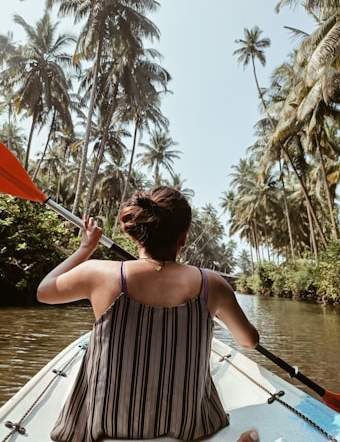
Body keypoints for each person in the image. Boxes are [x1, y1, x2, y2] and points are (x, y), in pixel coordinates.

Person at [37, 186, 260, 442]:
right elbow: (248, 341)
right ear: (183, 237)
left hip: (105, 422)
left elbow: (44, 291)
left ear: (135, 234)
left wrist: (86, 248)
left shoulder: (99, 273)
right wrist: (213, 310)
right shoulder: (211, 283)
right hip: (187, 425)